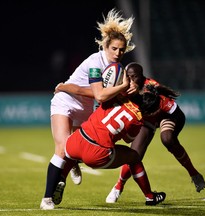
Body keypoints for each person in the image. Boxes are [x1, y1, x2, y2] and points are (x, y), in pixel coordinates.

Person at [40, 8, 138, 210]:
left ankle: (73, 162)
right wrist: (122, 87)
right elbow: (101, 94)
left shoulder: (118, 68)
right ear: (105, 46)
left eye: (121, 50)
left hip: (86, 108)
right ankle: (47, 199)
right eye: (114, 49)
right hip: (66, 101)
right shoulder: (96, 62)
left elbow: (105, 96)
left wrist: (130, 89)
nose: (118, 53)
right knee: (62, 149)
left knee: (79, 149)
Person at [105, 62, 205, 204]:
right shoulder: (124, 87)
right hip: (146, 119)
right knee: (134, 156)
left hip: (163, 115)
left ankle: (193, 173)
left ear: (142, 77)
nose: (131, 80)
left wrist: (173, 135)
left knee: (167, 139)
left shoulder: (153, 90)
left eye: (134, 77)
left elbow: (177, 114)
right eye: (128, 77)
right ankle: (118, 187)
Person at [53, 92, 166, 206]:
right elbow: (128, 139)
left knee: (73, 153)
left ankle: (62, 177)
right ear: (149, 111)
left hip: (76, 140)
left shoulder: (117, 97)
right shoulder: (138, 119)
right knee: (134, 157)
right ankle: (150, 197)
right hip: (96, 154)